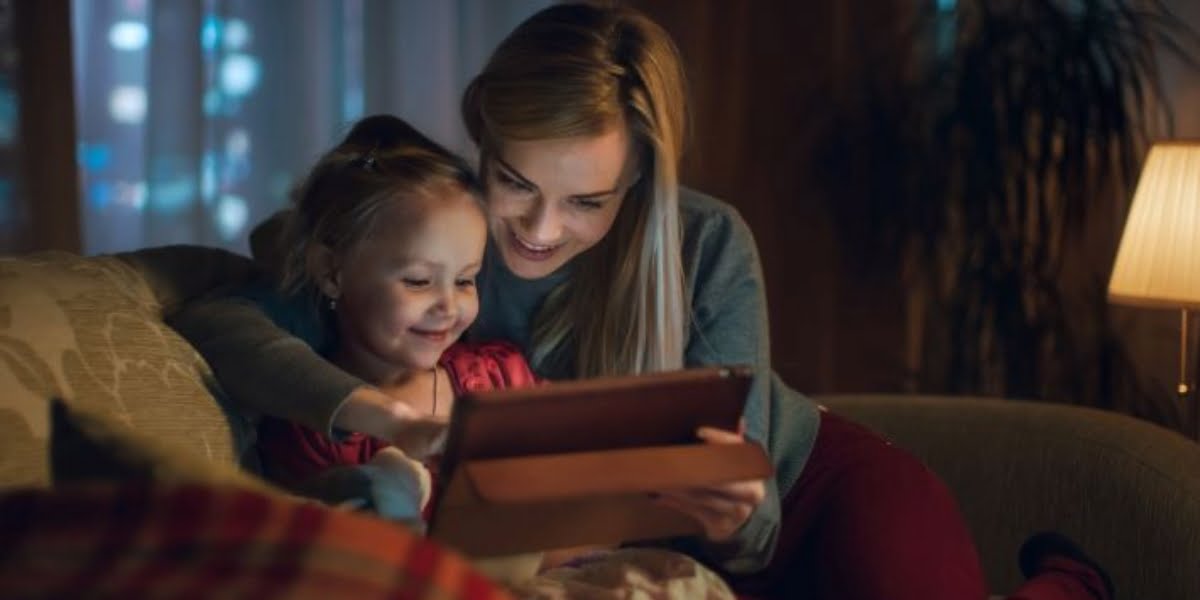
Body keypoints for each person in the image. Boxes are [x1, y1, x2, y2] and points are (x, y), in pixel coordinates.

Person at [171, 4, 1114, 600]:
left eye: (588, 201)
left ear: (642, 184)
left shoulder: (704, 243)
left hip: (818, 492)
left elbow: (759, 531)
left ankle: (1072, 582)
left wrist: (729, 516)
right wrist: (371, 408)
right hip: (631, 555)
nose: (539, 230)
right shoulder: (432, 236)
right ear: (481, 140)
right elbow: (229, 318)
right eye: (514, 181)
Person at [224, 114, 538, 523]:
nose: (448, 304)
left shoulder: (501, 377)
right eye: (418, 280)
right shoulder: (310, 429)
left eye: (465, 280)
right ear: (333, 273)